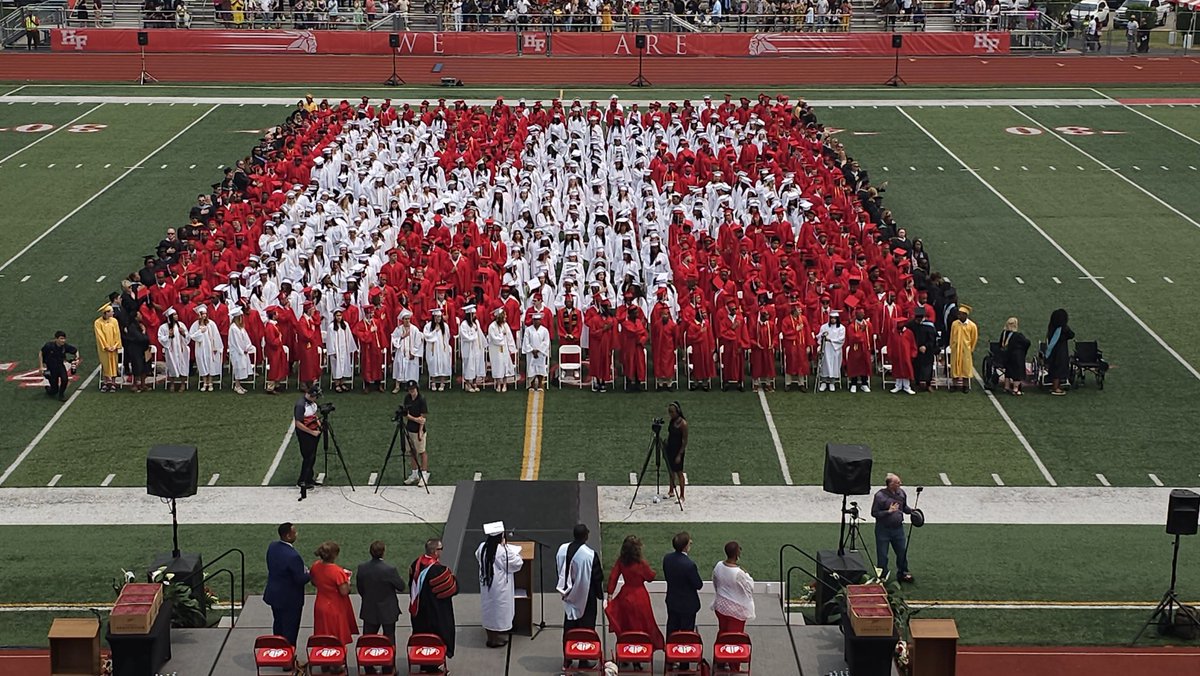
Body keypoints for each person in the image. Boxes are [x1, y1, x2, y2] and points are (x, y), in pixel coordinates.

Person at [556, 523, 604, 668]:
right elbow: (597, 577)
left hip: (569, 595)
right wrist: (599, 595)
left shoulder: (562, 550)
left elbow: (559, 570)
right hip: (586, 595)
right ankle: (583, 659)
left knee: (569, 627)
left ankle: (568, 658)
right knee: (586, 627)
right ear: (585, 536)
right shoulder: (590, 555)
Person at [605, 535, 664, 651]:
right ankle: (641, 652)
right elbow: (650, 577)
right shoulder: (641, 563)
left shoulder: (621, 561)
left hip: (625, 595)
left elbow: (613, 577)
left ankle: (626, 651)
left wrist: (610, 595)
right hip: (640, 596)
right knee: (643, 625)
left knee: (627, 625)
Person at [409, 538, 458, 671]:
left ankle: (423, 663)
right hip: (436, 613)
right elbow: (453, 589)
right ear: (435, 551)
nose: (441, 551)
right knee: (437, 639)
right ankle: (432, 666)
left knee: (422, 638)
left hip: (419, 613)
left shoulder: (415, 564)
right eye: (440, 549)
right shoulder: (439, 570)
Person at [356, 540, 406, 668]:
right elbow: (401, 586)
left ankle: (368, 666)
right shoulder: (389, 570)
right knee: (389, 638)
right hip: (387, 610)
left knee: (368, 639)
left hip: (369, 608)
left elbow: (360, 588)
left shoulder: (362, 568)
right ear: (383, 552)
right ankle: (389, 667)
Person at [476, 521, 525, 648]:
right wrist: (508, 548)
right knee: (499, 610)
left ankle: (490, 636)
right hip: (500, 587)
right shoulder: (503, 551)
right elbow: (517, 564)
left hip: (487, 584)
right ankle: (495, 639)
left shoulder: (482, 547)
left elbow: (477, 556)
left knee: (489, 609)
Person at [264, 522, 310, 646]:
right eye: (295, 532)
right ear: (288, 536)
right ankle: (288, 662)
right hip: (290, 600)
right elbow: (300, 579)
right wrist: (309, 573)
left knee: (278, 625)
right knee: (290, 630)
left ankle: (279, 652)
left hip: (275, 595)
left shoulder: (272, 546)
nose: (297, 534)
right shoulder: (293, 556)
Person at [311, 541, 358, 646]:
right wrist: (348, 582)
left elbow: (314, 582)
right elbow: (344, 591)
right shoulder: (337, 571)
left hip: (320, 605)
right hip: (335, 608)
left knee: (323, 636)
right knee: (336, 638)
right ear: (335, 555)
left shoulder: (315, 566)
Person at [871, 473, 914, 582]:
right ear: (890, 484)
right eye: (898, 483)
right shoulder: (880, 496)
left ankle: (903, 572)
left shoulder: (902, 493)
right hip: (883, 529)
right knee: (882, 554)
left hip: (898, 529)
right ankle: (882, 575)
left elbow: (904, 507)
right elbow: (874, 513)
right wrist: (888, 512)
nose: (900, 484)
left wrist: (912, 511)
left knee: (901, 552)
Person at [662, 532, 703, 638]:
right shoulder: (689, 565)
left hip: (672, 601)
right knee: (686, 634)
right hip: (687, 605)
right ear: (685, 546)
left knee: (672, 628)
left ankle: (670, 651)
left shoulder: (667, 559)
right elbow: (698, 584)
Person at [711, 541, 755, 634]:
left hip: (720, 606)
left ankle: (719, 647)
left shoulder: (719, 565)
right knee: (734, 637)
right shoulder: (739, 573)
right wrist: (746, 574)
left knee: (723, 632)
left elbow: (715, 581)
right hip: (735, 612)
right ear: (737, 554)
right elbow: (749, 588)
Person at [189, 305, 224, 392]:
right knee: (202, 363)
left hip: (210, 347)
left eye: (205, 313)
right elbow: (192, 336)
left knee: (210, 363)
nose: (204, 315)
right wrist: (200, 331)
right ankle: (204, 382)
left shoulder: (211, 324)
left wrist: (216, 346)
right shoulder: (195, 325)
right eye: (202, 314)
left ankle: (210, 382)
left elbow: (216, 335)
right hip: (200, 347)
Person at [401, 380, 429, 485]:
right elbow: (405, 413)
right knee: (412, 452)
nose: (411, 391)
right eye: (410, 390)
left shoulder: (421, 399)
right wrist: (415, 419)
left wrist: (420, 431)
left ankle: (424, 474)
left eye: (413, 389)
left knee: (422, 451)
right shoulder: (407, 398)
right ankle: (414, 473)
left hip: (418, 429)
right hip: (410, 428)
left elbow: (423, 417)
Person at [294, 385, 322, 490]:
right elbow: (298, 423)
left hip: (313, 432)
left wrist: (319, 425)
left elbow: (314, 415)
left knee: (312, 457)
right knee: (308, 458)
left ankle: (309, 478)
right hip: (305, 434)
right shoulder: (301, 405)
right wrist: (311, 432)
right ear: (311, 395)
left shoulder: (312, 403)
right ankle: (302, 480)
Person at [39, 331, 80, 402]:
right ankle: (49, 388)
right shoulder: (49, 346)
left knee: (65, 379)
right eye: (61, 338)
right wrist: (41, 366)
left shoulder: (65, 346)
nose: (63, 340)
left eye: (64, 339)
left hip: (60, 365)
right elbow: (41, 353)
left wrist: (77, 359)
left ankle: (61, 395)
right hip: (51, 368)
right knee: (54, 390)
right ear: (56, 339)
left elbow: (75, 351)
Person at [157, 308, 191, 392]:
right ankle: (172, 383)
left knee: (183, 365)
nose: (176, 316)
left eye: (176, 314)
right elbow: (160, 338)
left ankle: (183, 384)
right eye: (174, 315)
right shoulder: (164, 327)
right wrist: (169, 335)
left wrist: (183, 334)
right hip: (171, 350)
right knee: (171, 366)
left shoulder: (181, 325)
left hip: (181, 349)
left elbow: (187, 337)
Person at [326, 308, 358, 393]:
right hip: (336, 350)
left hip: (344, 349)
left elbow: (349, 337)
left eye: (340, 315)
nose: (339, 317)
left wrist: (350, 348)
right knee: (337, 366)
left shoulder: (345, 325)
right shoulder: (331, 327)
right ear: (334, 316)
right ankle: (337, 384)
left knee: (344, 366)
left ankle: (342, 383)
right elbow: (330, 340)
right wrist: (333, 351)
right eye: (337, 315)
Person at [391, 310, 422, 393]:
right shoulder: (398, 329)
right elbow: (393, 339)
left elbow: (418, 341)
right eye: (405, 319)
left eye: (408, 319)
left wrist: (413, 352)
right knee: (399, 366)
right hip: (401, 352)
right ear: (402, 320)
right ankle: (397, 386)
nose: (407, 321)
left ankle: (411, 386)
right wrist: (402, 337)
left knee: (411, 369)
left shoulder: (414, 329)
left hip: (411, 353)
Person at [948, 305, 978, 393]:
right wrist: (952, 346)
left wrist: (970, 349)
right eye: (959, 314)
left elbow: (974, 338)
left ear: (965, 315)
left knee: (965, 367)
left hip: (966, 349)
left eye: (961, 314)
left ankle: (965, 386)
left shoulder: (972, 326)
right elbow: (952, 335)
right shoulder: (954, 324)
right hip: (956, 348)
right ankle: (954, 385)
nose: (959, 316)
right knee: (955, 366)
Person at [487, 308, 517, 392]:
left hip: (504, 349)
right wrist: (501, 335)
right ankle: (498, 384)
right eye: (504, 316)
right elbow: (493, 338)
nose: (506, 317)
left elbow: (509, 336)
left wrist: (512, 348)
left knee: (505, 365)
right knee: (498, 366)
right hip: (495, 349)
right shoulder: (492, 326)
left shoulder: (505, 325)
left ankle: (504, 384)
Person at [227, 307, 256, 395]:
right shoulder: (233, 328)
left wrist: (247, 347)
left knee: (242, 367)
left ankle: (239, 385)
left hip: (243, 351)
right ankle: (237, 385)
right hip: (237, 351)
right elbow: (236, 342)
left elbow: (246, 339)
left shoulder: (241, 328)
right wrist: (242, 350)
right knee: (238, 368)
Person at [1045, 308, 1074, 396]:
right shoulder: (1063, 329)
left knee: (1054, 368)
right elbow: (1071, 335)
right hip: (1060, 352)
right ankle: (1056, 387)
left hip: (1053, 351)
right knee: (1058, 369)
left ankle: (1055, 386)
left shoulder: (1051, 327)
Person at [423, 310, 453, 391]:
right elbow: (426, 336)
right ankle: (433, 382)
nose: (438, 318)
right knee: (433, 363)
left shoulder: (445, 326)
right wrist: (434, 331)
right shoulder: (428, 326)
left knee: (443, 364)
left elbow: (448, 336)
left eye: (439, 316)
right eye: (436, 316)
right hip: (433, 349)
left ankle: (442, 383)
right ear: (433, 317)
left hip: (442, 349)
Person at [94, 303, 121, 393]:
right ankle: (106, 382)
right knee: (105, 364)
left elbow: (117, 334)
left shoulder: (114, 321)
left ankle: (113, 383)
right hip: (104, 349)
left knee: (114, 364)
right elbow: (99, 336)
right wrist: (106, 346)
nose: (113, 313)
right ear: (106, 313)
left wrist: (115, 345)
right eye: (111, 312)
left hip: (113, 347)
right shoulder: (98, 323)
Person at [999, 316, 1030, 396]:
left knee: (1008, 371)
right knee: (1018, 374)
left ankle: (1006, 386)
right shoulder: (1018, 335)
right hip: (1016, 357)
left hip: (1006, 356)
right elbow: (1027, 343)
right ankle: (1015, 389)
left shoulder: (1004, 333)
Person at [458, 305, 486, 392]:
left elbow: (479, 333)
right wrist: (473, 336)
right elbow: (464, 336)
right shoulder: (464, 324)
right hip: (468, 348)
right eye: (473, 314)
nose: (475, 315)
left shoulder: (476, 322)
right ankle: (467, 383)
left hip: (476, 347)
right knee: (468, 365)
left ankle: (474, 382)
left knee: (476, 364)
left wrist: (483, 343)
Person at [664, 402, 688, 503]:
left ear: (677, 411)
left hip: (678, 450)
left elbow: (684, 441)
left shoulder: (683, 424)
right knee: (671, 471)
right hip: (670, 448)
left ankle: (682, 495)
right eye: (669, 412)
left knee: (679, 472)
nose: (671, 414)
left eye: (672, 412)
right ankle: (671, 491)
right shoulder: (672, 421)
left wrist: (679, 455)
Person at [816, 310, 845, 392]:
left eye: (834, 318)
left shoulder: (841, 328)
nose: (833, 320)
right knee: (825, 365)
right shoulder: (824, 327)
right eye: (831, 318)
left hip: (835, 349)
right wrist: (822, 337)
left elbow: (841, 339)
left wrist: (830, 340)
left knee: (834, 365)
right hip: (826, 348)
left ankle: (832, 382)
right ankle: (824, 382)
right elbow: (819, 336)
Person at [910, 308, 938, 392]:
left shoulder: (929, 325)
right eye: (916, 319)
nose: (917, 321)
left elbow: (932, 339)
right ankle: (917, 383)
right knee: (916, 366)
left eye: (919, 319)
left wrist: (925, 346)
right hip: (916, 350)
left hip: (927, 351)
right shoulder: (912, 324)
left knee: (927, 367)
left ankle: (928, 384)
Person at [522, 312, 551, 391]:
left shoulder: (544, 330)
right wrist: (532, 350)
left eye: (538, 320)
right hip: (531, 353)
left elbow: (546, 342)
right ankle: (531, 384)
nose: (536, 321)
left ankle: (540, 384)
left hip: (541, 353)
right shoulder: (528, 330)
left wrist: (538, 350)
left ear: (541, 320)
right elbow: (526, 342)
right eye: (535, 320)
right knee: (531, 368)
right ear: (533, 320)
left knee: (540, 368)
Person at [122, 316, 152, 393]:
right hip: (136, 350)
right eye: (139, 315)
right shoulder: (132, 327)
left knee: (146, 366)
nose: (141, 316)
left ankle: (143, 384)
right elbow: (140, 338)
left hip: (144, 349)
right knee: (137, 366)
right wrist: (144, 332)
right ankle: (135, 385)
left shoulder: (140, 325)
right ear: (135, 317)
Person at [888, 319, 917, 394]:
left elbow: (913, 344)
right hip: (896, 354)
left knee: (906, 369)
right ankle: (898, 386)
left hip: (906, 355)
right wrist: (890, 354)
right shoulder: (893, 332)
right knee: (898, 369)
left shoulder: (909, 333)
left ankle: (907, 386)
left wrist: (913, 354)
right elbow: (890, 344)